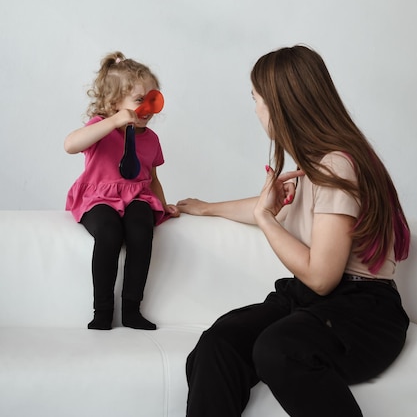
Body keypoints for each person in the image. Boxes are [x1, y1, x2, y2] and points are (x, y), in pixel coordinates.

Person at [177, 45, 410, 417]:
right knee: (219, 342)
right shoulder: (313, 167)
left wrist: (267, 220)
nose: (254, 110)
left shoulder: (337, 166)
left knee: (278, 347)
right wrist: (206, 207)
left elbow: (321, 277)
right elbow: (264, 208)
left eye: (255, 99)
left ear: (279, 105)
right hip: (311, 304)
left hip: (363, 313)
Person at [65, 51, 179, 331]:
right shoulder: (100, 128)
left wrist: (163, 206)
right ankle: (103, 310)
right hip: (98, 198)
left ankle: (132, 309)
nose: (148, 109)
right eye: (140, 101)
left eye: (153, 100)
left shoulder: (151, 139)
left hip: (136, 196)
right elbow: (71, 145)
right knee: (109, 232)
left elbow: (152, 178)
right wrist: (112, 123)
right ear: (115, 103)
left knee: (141, 229)